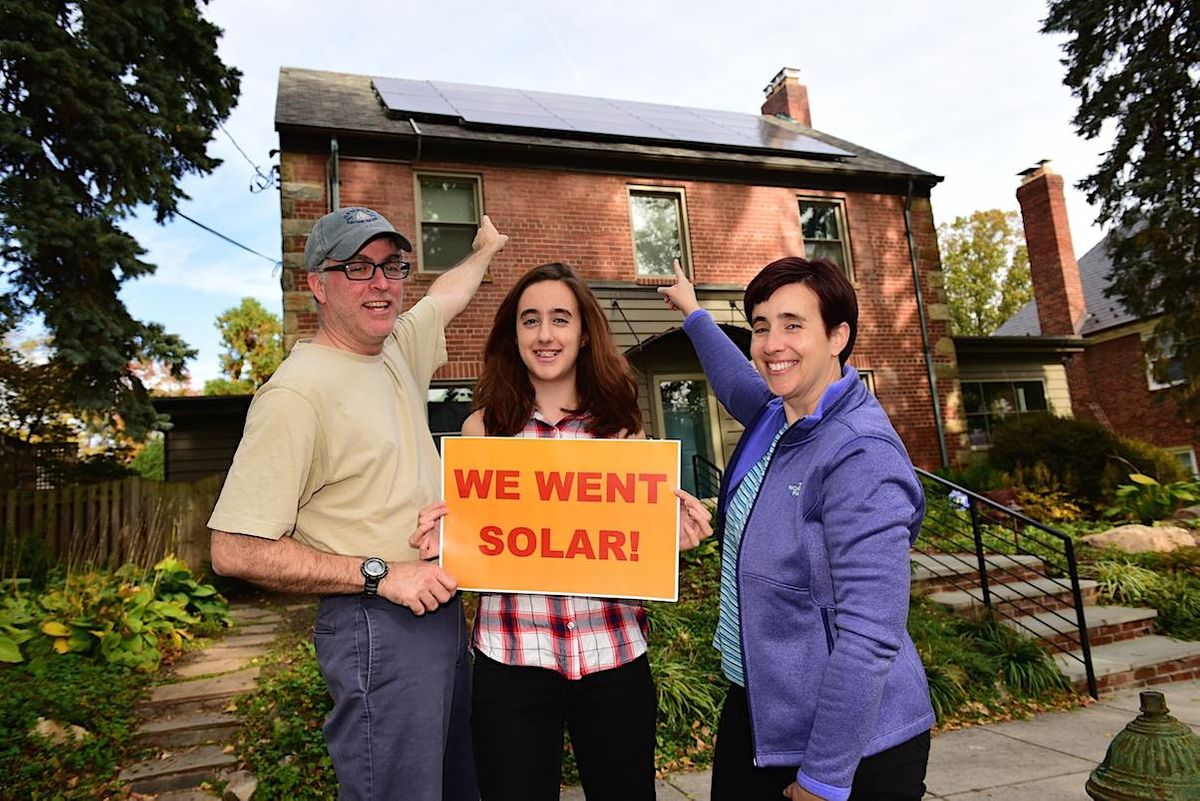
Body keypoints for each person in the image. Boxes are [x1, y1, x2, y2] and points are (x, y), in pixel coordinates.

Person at [209, 206, 508, 801]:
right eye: (358, 268)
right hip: (376, 622)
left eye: (393, 267)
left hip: (437, 610)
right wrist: (380, 575)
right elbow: (234, 549)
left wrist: (485, 251)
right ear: (317, 284)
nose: (381, 283)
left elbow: (446, 296)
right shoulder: (296, 394)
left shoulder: (394, 346)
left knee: (452, 788)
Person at [422, 262, 711, 801]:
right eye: (530, 321)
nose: (545, 334)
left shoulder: (621, 425)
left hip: (614, 654)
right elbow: (472, 541)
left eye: (560, 319)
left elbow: (634, 537)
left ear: (583, 334)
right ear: (514, 335)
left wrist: (667, 537)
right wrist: (445, 543)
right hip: (512, 659)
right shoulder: (483, 429)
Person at [658, 258, 935, 801]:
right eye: (760, 326)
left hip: (848, 740)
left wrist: (825, 778)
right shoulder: (777, 415)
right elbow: (734, 374)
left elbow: (871, 631)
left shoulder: (860, 453)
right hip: (762, 705)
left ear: (837, 336)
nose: (770, 343)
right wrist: (693, 312)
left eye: (792, 324)